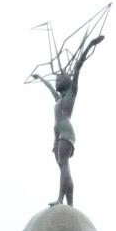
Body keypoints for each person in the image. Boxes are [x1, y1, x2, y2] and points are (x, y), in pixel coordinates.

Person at [30, 33, 104, 207]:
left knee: (63, 165)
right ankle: (70, 202)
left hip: (66, 135)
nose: (56, 80)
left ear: (66, 81)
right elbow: (50, 88)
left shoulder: (71, 93)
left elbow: (78, 66)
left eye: (59, 78)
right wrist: (40, 78)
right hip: (59, 137)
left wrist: (91, 44)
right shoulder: (59, 99)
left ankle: (60, 198)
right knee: (64, 168)